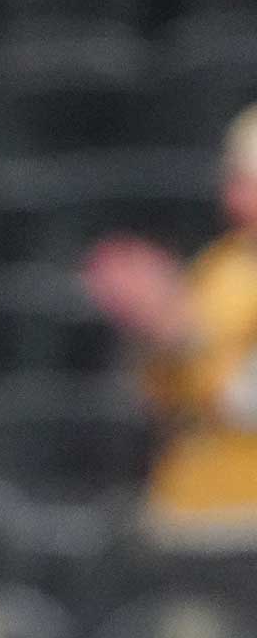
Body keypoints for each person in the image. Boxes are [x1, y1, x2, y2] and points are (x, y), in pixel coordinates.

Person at [84, 103, 257, 538]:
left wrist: (183, 336)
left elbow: (245, 400)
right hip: (186, 509)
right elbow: (160, 398)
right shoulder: (221, 268)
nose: (237, 199)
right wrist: (150, 330)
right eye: (235, 181)